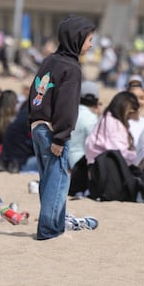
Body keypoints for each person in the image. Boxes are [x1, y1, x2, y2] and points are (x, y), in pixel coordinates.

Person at [29, 14, 98, 240]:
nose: (90, 45)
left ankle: (56, 225)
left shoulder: (50, 61)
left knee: (48, 178)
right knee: (58, 179)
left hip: (38, 125)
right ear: (77, 39)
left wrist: (34, 120)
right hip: (53, 129)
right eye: (89, 40)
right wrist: (61, 136)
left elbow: (35, 91)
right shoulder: (72, 68)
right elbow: (67, 106)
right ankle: (49, 229)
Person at [84, 90, 141, 166]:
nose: (129, 118)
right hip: (104, 167)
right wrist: (138, 158)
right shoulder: (113, 123)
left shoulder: (106, 119)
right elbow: (118, 151)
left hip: (98, 164)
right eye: (130, 114)